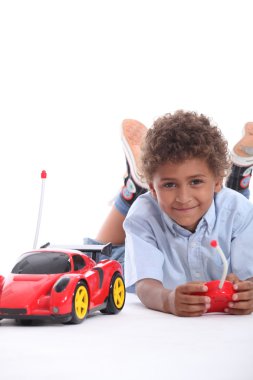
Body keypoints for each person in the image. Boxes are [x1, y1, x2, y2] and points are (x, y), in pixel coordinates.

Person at [84, 113, 253, 316]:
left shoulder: (238, 211)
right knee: (96, 260)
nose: (183, 197)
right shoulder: (144, 216)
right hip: (136, 264)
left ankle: (236, 175)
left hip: (225, 202)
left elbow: (249, 279)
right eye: (169, 184)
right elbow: (145, 285)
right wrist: (168, 300)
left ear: (217, 181)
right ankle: (131, 191)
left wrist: (247, 293)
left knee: (229, 205)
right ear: (153, 190)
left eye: (195, 182)